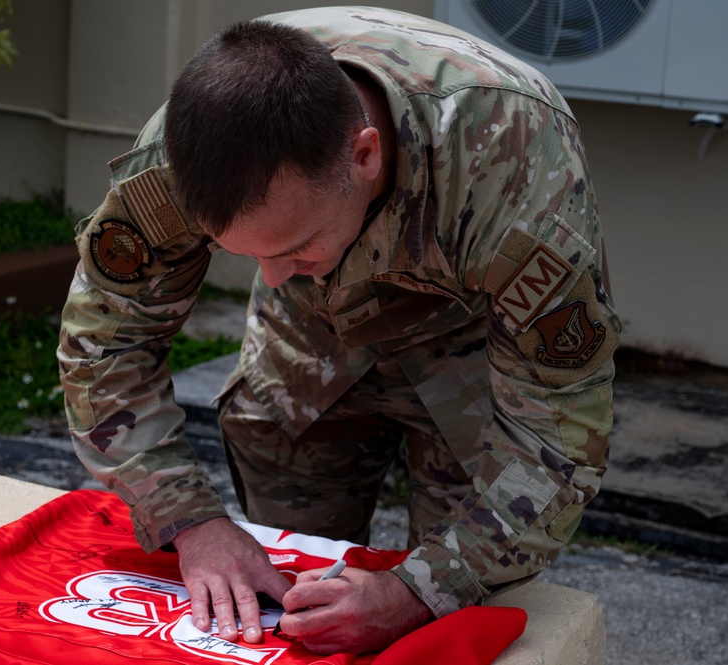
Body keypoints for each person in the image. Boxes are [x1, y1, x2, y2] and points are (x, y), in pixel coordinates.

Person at [58, 5, 620, 656]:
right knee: (283, 609)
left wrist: (423, 586)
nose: (268, 278)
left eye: (295, 246)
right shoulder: (180, 157)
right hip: (305, 350)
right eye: (245, 255)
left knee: (449, 626)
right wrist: (192, 521)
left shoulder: (515, 162)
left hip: (472, 361)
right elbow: (104, 343)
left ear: (363, 156)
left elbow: (558, 435)